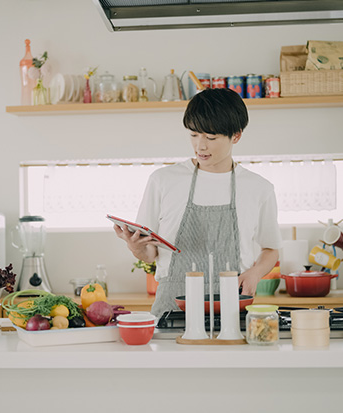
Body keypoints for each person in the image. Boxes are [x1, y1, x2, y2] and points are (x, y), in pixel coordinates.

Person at [114, 88, 282, 317]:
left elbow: (271, 249)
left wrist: (255, 273)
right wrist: (136, 248)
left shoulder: (259, 188)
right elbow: (151, 253)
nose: (200, 146)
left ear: (236, 135)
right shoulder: (163, 181)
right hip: (171, 310)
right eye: (194, 135)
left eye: (211, 138)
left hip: (232, 309)